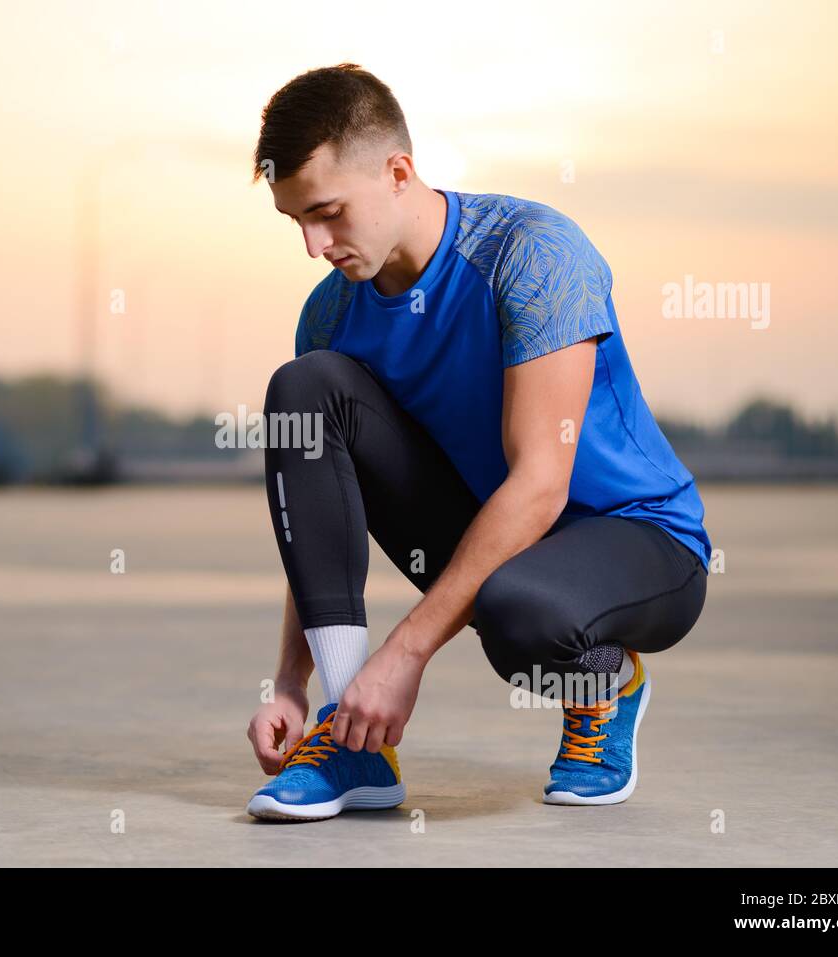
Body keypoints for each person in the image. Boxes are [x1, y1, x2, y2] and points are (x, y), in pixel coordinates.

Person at [244, 64, 710, 821]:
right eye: (295, 220)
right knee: (303, 387)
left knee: (520, 612)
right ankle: (350, 730)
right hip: (492, 529)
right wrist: (293, 682)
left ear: (399, 172)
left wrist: (403, 655)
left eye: (328, 213)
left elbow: (540, 485)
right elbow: (320, 510)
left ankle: (605, 683)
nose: (312, 244)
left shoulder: (533, 254)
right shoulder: (330, 315)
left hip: (638, 536)